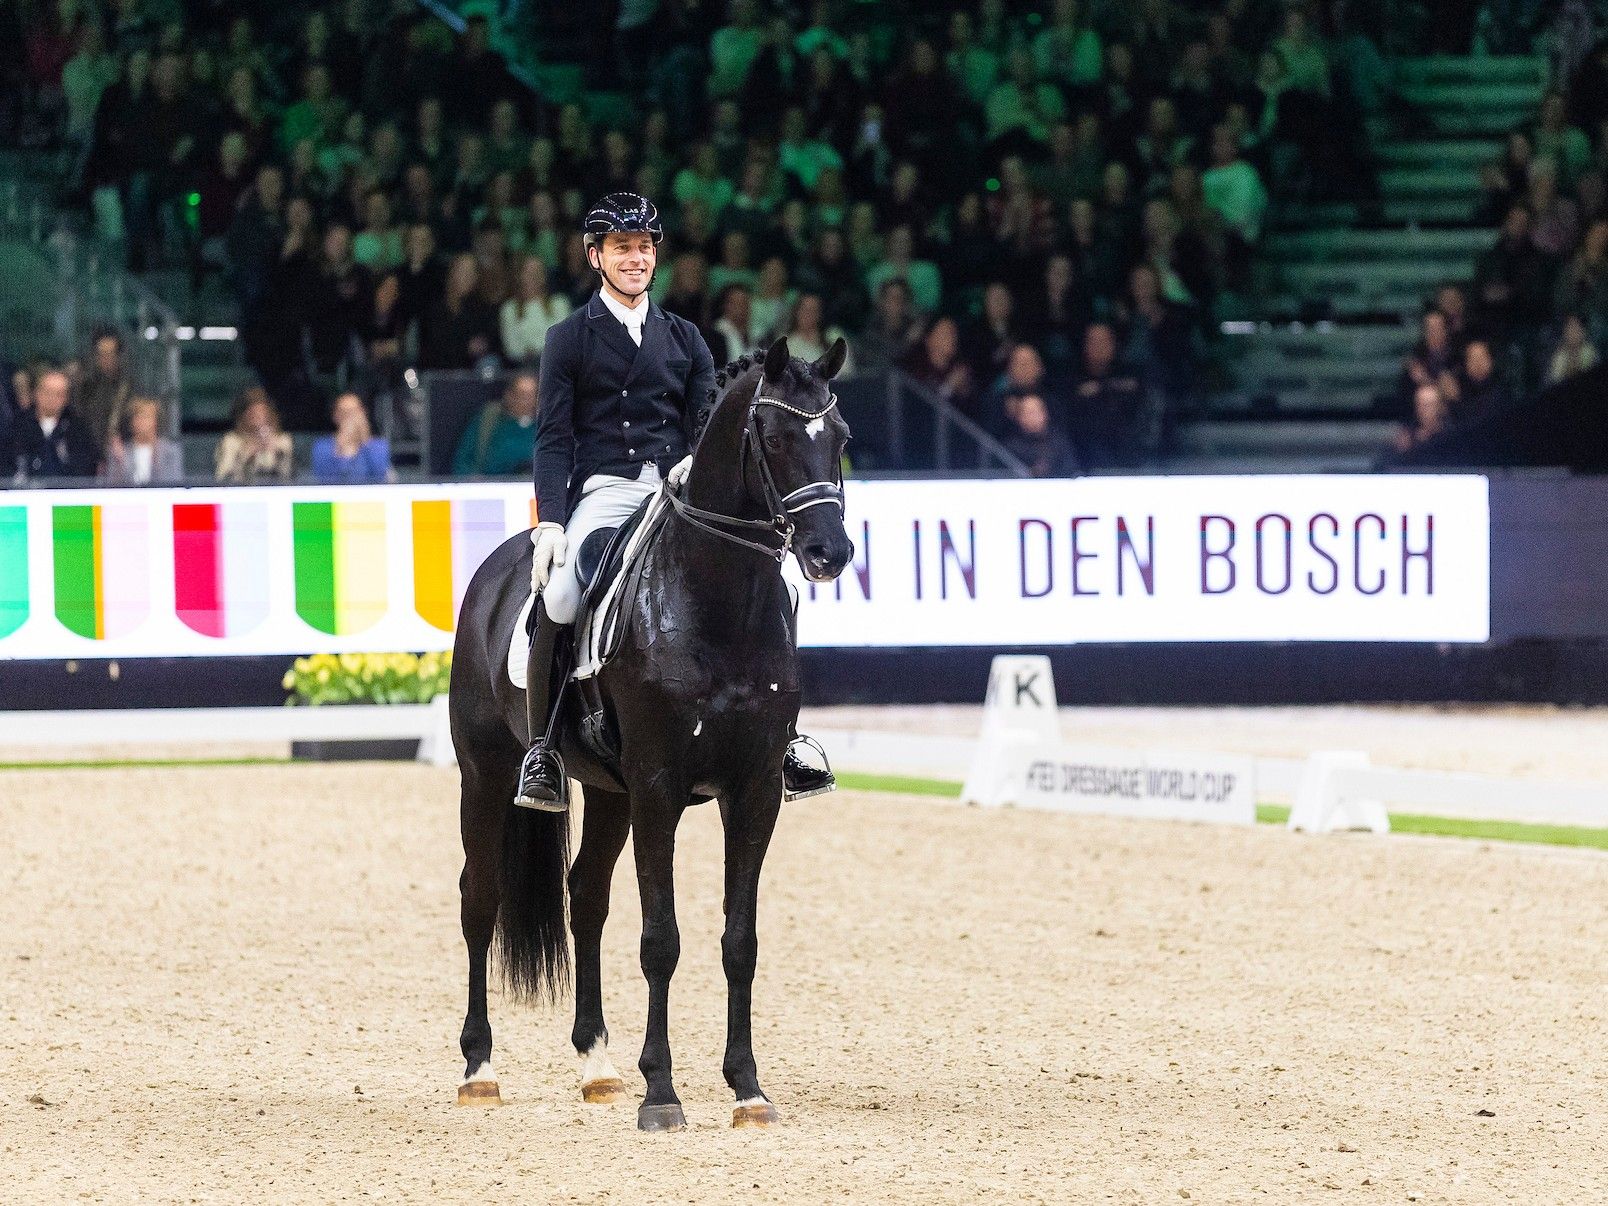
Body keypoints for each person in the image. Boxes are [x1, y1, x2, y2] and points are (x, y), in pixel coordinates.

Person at [518, 192, 833, 810]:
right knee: (559, 594)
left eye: (643, 248)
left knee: (782, 589)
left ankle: (783, 740)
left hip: (674, 492)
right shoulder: (567, 339)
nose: (635, 259)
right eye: (621, 249)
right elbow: (554, 437)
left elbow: (705, 425)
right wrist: (551, 521)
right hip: (606, 492)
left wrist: (695, 462)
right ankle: (545, 749)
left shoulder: (686, 337)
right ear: (596, 256)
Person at [1, 367, 98, 480]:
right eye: (47, 392)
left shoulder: (78, 429)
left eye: (58, 394)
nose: (52, 398)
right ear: (37, 393)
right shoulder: (17, 425)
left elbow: (85, 468)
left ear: (66, 398)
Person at [454, 371, 540, 476]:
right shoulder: (488, 420)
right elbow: (462, 462)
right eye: (521, 395)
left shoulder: (545, 425)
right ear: (509, 395)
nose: (526, 402)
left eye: (530, 396)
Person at [215, 387, 294, 482]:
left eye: (263, 414)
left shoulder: (283, 440)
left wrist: (278, 454)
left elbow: (290, 476)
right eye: (254, 414)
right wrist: (247, 455)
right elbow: (223, 476)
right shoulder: (231, 441)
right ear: (243, 415)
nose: (259, 418)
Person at [311, 392, 392, 483]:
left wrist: (365, 440)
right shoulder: (323, 447)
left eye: (354, 412)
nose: (350, 417)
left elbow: (379, 475)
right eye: (344, 412)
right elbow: (323, 478)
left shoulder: (378, 446)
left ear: (363, 413)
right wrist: (341, 446)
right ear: (335, 416)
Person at [104, 397, 183, 484]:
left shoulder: (169, 451)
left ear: (155, 421)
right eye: (137, 417)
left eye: (146, 417)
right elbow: (112, 486)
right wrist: (120, 461)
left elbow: (173, 483)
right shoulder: (121, 451)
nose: (141, 421)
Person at [1001, 391, 1079, 477]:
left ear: (1044, 414)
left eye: (1035, 412)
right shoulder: (1011, 447)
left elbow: (1071, 470)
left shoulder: (1059, 442)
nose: (1032, 417)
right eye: (1028, 413)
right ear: (1019, 417)